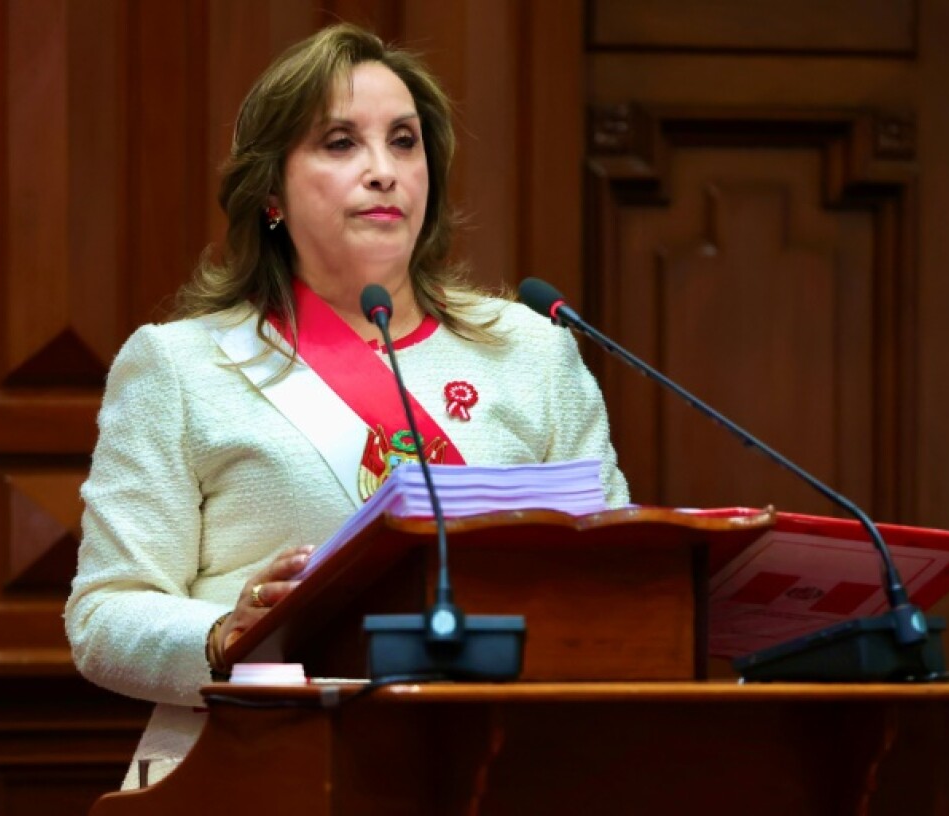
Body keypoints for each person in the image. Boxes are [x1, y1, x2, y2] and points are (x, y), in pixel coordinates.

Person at [65, 22, 630, 790]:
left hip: (501, 772)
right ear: (269, 189)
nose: (383, 171)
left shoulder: (532, 351)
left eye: (404, 141)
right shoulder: (182, 366)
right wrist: (223, 632)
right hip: (250, 772)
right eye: (340, 142)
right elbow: (102, 618)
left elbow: (621, 576)